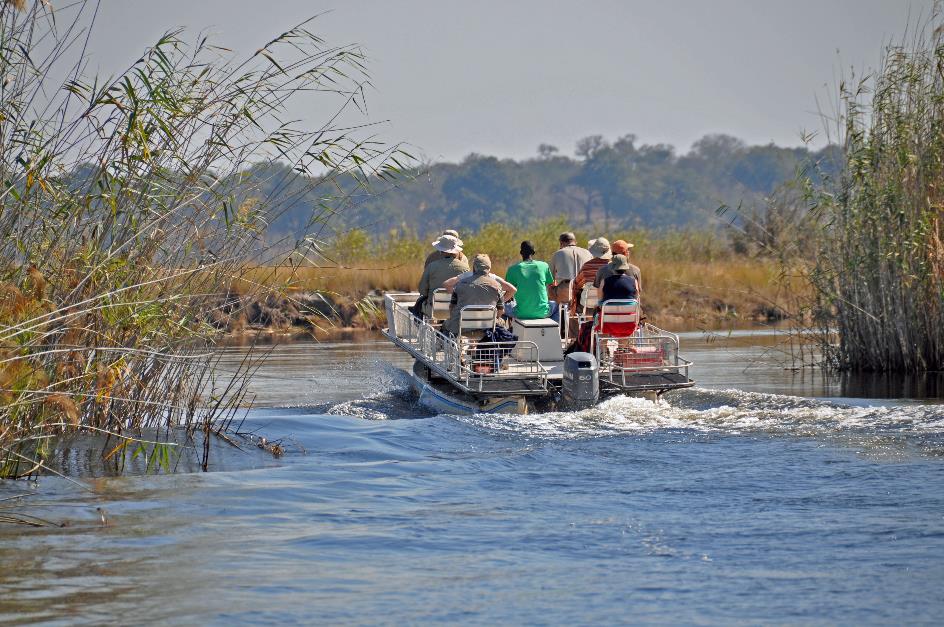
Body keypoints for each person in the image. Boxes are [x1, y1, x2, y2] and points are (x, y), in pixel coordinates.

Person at [443, 254, 504, 336]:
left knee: (446, 324)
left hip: (461, 328)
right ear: (489, 268)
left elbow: (452, 307)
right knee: (502, 322)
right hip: (487, 327)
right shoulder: (497, 286)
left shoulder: (460, 284)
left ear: (474, 267)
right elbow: (501, 311)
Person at [417, 234, 469, 318]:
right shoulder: (465, 268)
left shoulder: (432, 266)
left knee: (418, 305)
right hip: (456, 310)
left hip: (433, 309)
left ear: (441, 251)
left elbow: (422, 290)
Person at [504, 240, 557, 321]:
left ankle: (509, 330)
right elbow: (551, 285)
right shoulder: (544, 266)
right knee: (559, 306)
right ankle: (558, 330)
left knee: (502, 306)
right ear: (533, 252)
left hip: (521, 313)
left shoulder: (512, 269)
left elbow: (508, 292)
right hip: (543, 312)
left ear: (521, 252)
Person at [570, 237, 611, 315]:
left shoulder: (587, 266)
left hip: (588, 305)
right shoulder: (613, 266)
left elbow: (577, 283)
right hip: (607, 304)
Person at [549, 232, 592, 305]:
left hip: (565, 291)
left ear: (561, 243)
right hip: (585, 291)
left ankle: (559, 312)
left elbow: (550, 277)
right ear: (575, 242)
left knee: (549, 287)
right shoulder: (588, 253)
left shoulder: (557, 254)